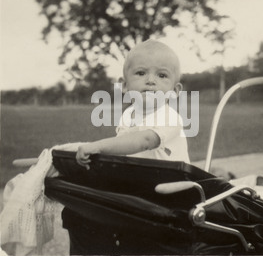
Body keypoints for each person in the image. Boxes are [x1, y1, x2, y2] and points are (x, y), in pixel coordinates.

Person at [76, 39, 190, 169]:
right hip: (143, 179)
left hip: (175, 182)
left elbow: (145, 140)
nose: (151, 80)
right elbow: (122, 147)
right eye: (141, 73)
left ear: (174, 91)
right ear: (125, 85)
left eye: (162, 75)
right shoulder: (128, 115)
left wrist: (98, 146)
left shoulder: (170, 117)